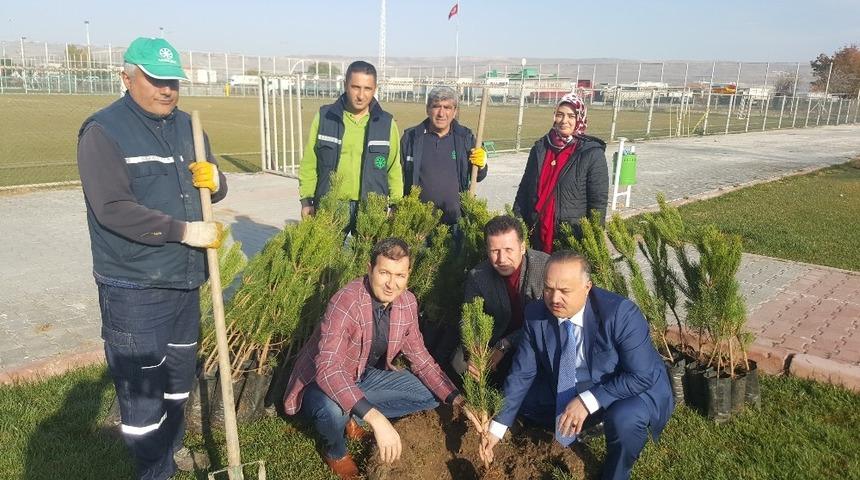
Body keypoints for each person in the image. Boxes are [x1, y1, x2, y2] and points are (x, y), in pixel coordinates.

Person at [76, 37, 227, 480]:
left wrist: (217, 180)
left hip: (185, 281)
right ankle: (154, 470)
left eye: (173, 81)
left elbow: (211, 191)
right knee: (142, 394)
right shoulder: (103, 132)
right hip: (135, 287)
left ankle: (172, 451)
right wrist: (185, 232)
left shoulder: (191, 128)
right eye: (156, 80)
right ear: (126, 78)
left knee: (178, 382)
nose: (167, 90)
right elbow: (112, 209)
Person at [283, 238, 467, 480]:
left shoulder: (407, 302)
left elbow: (421, 359)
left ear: (408, 274)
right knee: (333, 411)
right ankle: (336, 452)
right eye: (384, 273)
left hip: (362, 377)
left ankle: (354, 414)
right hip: (321, 385)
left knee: (431, 394)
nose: (392, 284)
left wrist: (456, 399)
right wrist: (377, 418)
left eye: (400, 275)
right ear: (369, 269)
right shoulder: (346, 301)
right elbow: (327, 369)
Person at [479, 251, 673, 480]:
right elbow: (522, 373)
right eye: (548, 289)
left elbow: (641, 376)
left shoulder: (621, 314)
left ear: (587, 287)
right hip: (574, 379)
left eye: (565, 291)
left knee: (624, 420)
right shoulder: (536, 314)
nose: (554, 299)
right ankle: (585, 424)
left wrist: (588, 400)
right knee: (527, 401)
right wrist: (497, 428)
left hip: (627, 387)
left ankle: (616, 473)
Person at [298, 61, 403, 232]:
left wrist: (396, 204)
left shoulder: (387, 123)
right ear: (345, 85)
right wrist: (306, 200)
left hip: (371, 207)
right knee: (328, 251)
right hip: (331, 205)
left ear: (375, 89)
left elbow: (394, 169)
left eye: (367, 88)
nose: (361, 95)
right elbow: (310, 162)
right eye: (355, 87)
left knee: (369, 251)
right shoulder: (325, 118)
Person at [450, 215, 548, 379]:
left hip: (534, 339)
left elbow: (547, 320)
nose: (501, 259)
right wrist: (474, 350)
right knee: (459, 364)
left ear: (522, 247)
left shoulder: (545, 267)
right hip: (493, 340)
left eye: (509, 250)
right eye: (495, 251)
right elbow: (468, 318)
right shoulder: (478, 276)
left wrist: (505, 344)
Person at [513, 93, 608, 253]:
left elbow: (598, 203)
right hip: (537, 234)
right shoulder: (540, 148)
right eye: (560, 114)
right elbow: (524, 189)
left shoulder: (591, 153)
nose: (564, 120)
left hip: (570, 237)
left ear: (580, 119)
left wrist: (593, 242)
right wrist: (517, 223)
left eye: (571, 116)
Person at [400, 86, 487, 225]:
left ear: (455, 111)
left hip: (456, 222)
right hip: (418, 223)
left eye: (447, 107)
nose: (441, 113)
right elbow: (398, 176)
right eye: (436, 106)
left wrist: (482, 166)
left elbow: (478, 176)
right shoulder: (411, 138)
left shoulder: (465, 138)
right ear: (427, 109)